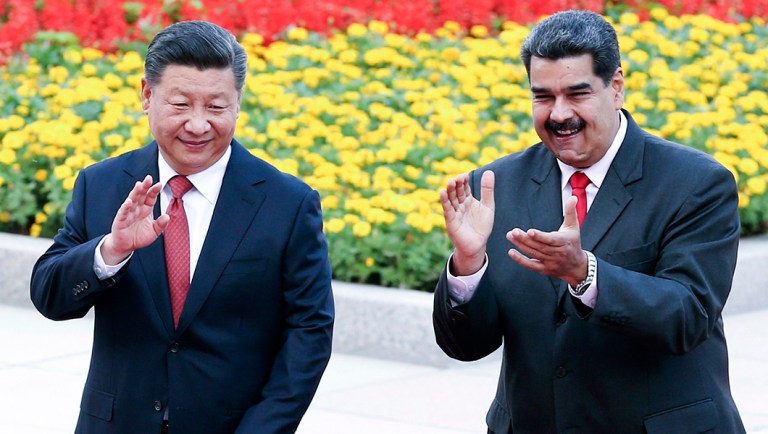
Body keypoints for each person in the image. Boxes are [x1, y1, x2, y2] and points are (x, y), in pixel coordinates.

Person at [433, 10, 745, 433]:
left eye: (577, 94)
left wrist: (586, 275)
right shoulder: (493, 186)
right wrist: (468, 265)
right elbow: (465, 347)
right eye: (543, 97)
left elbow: (687, 318)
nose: (559, 114)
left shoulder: (696, 183)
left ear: (615, 87)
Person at [30, 20, 334, 434]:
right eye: (180, 104)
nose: (197, 124)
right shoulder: (103, 184)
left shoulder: (287, 203)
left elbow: (310, 330)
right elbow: (49, 296)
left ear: (238, 103)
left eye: (216, 107)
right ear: (147, 95)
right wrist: (111, 251)